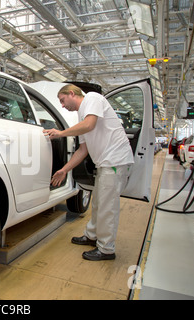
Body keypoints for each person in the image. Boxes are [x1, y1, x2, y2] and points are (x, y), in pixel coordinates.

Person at [43, 84, 134, 261]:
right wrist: (64, 170)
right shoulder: (81, 116)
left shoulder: (92, 98)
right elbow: (82, 151)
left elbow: (89, 125)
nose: (62, 105)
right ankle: (92, 236)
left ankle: (106, 249)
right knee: (98, 203)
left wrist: (61, 133)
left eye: (62, 100)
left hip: (115, 160)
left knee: (107, 207)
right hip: (105, 163)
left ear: (72, 93)